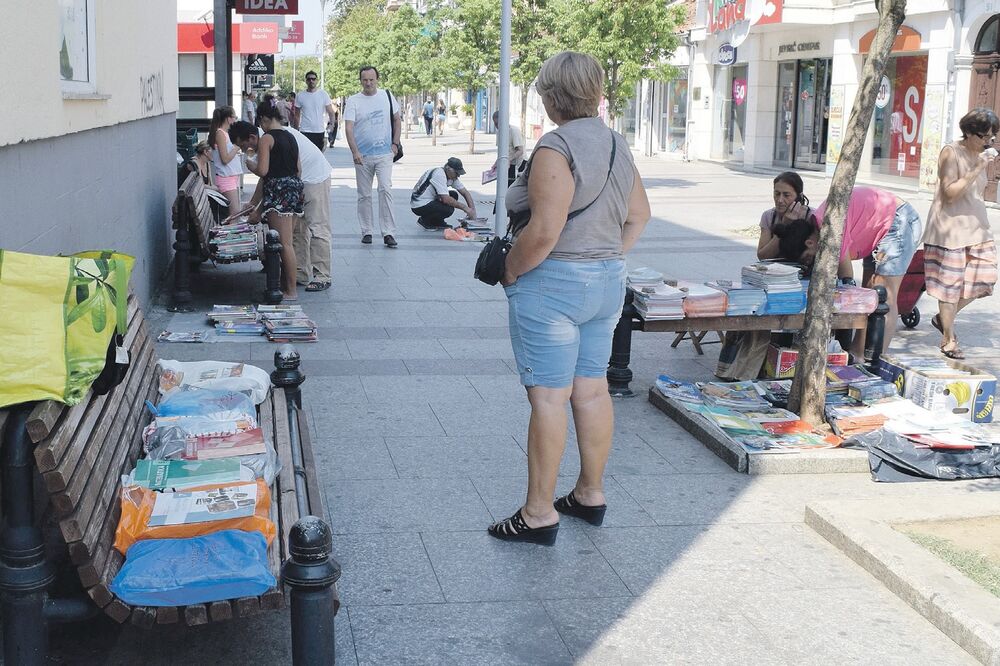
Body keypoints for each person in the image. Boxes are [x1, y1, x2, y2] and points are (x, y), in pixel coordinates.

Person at [489, 51, 651, 544]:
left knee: (549, 398)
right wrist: (607, 255)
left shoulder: (555, 147)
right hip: (607, 281)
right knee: (593, 389)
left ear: (554, 97)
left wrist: (511, 272)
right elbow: (639, 214)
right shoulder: (617, 143)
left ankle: (538, 513)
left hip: (554, 283)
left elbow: (544, 230)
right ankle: (589, 493)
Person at [774, 186, 923, 358]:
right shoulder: (818, 225)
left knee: (885, 296)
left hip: (897, 220)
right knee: (870, 296)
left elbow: (847, 281)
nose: (811, 263)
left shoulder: (829, 229)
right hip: (878, 222)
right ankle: (858, 353)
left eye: (807, 258)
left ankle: (874, 360)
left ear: (809, 243)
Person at [922, 107, 999, 360]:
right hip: (949, 231)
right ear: (968, 132)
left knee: (986, 279)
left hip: (978, 229)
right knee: (949, 288)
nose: (988, 141)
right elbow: (950, 193)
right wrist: (978, 167)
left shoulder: (982, 154)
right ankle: (948, 339)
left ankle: (944, 318)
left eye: (992, 136)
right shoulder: (951, 152)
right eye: (984, 136)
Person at [230, 115, 333, 292]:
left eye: (243, 146)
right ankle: (299, 272)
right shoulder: (267, 138)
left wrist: (257, 208)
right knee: (296, 231)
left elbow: (269, 177)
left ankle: (322, 275)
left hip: (315, 177)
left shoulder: (269, 139)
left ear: (252, 138)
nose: (245, 151)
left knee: (317, 227)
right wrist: (253, 203)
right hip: (296, 183)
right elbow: (268, 178)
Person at [244, 100, 304, 301]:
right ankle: (287, 286)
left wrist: (250, 165)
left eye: (260, 123)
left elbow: (263, 171)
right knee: (288, 243)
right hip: (294, 189)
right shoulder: (291, 136)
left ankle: (291, 291)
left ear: (264, 119)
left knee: (284, 244)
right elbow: (298, 169)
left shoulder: (267, 138)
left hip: (278, 193)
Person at [344, 65, 401, 248]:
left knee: (385, 189)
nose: (368, 83)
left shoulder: (387, 96)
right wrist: (355, 152)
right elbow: (349, 128)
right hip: (363, 156)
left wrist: (395, 144)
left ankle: (388, 232)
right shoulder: (353, 100)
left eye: (371, 79)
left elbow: (397, 119)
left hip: (384, 154)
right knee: (364, 195)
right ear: (360, 80)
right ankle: (367, 230)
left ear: (377, 79)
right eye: (365, 80)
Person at [757, 171, 812, 260]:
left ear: (799, 197)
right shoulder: (768, 216)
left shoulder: (811, 217)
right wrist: (784, 225)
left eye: (786, 195)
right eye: (777, 194)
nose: (780, 200)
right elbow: (763, 257)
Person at [410, 157, 477, 229]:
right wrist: (465, 208)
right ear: (448, 169)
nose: (458, 175)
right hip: (419, 205)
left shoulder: (451, 177)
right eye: (456, 173)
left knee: (453, 195)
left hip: (429, 201)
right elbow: (446, 199)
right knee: (448, 209)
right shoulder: (439, 174)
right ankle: (424, 221)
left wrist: (472, 211)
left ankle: (437, 221)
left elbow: (465, 193)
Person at [208, 105, 243, 213]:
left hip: (232, 176)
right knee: (234, 213)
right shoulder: (220, 134)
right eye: (235, 117)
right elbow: (225, 159)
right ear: (228, 118)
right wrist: (236, 148)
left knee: (236, 213)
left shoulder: (225, 133)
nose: (235, 120)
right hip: (226, 178)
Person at [294, 71, 336, 152]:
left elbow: (331, 112)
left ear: (316, 80)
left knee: (318, 155)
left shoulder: (323, 94)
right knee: (305, 155)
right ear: (306, 81)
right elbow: (296, 115)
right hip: (305, 131)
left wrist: (332, 125)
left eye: (313, 79)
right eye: (309, 79)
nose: (311, 81)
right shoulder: (300, 95)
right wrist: (296, 131)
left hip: (319, 131)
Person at [491, 111, 526, 185]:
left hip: (519, 164)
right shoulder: (499, 132)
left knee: (513, 187)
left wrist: (508, 159)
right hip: (507, 163)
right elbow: (501, 152)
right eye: (495, 124)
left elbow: (520, 151)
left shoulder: (514, 130)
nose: (497, 126)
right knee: (504, 186)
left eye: (498, 123)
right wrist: (496, 163)